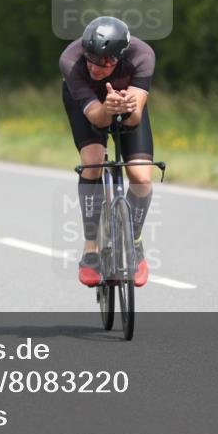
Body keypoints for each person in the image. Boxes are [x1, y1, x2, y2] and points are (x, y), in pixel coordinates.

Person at [59, 16, 156, 288]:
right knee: (92, 162)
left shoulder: (142, 56)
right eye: (90, 58)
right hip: (88, 106)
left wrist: (125, 107)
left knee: (141, 177)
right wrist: (107, 108)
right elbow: (97, 120)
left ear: (120, 57)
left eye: (104, 63)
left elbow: (135, 119)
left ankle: (134, 241)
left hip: (127, 102)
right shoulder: (71, 59)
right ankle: (90, 247)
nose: (94, 67)